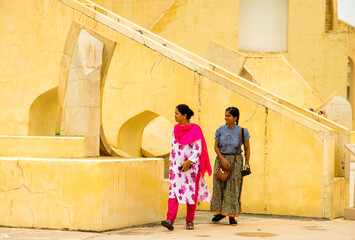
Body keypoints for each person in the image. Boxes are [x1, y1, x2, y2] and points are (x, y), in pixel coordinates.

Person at [161, 104, 212, 231]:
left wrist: (188, 162)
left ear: (184, 115)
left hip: (191, 168)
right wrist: (174, 164)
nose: (175, 115)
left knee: (190, 193)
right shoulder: (175, 129)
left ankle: (190, 220)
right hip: (176, 167)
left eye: (177, 113)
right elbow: (173, 148)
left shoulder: (195, 129)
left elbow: (197, 149)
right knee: (173, 193)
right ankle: (170, 220)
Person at [210, 107, 250, 225]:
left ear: (235, 118)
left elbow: (247, 148)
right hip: (221, 160)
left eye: (228, 116)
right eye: (225, 115)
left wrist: (247, 163)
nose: (226, 118)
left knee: (233, 187)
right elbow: (216, 146)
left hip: (236, 161)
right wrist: (222, 159)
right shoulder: (220, 130)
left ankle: (231, 215)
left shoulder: (243, 131)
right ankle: (220, 212)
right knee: (219, 186)